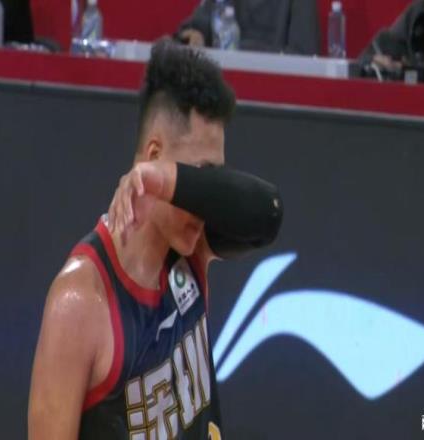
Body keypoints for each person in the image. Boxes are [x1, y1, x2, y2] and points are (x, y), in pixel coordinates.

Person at [28, 40, 283, 440]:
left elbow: (269, 213)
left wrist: (169, 180)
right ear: (153, 154)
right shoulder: (79, 301)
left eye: (212, 183)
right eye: (201, 175)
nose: (207, 201)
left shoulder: (192, 247)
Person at [176, 0, 320, 55]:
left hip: (273, 91)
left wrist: (237, 48)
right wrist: (196, 35)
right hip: (219, 89)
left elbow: (303, 55)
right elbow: (192, 29)